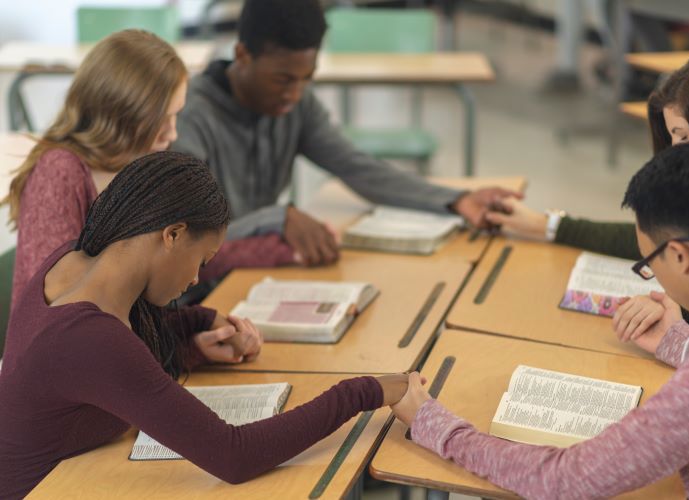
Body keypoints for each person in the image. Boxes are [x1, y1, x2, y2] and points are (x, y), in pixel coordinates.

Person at [391, 142, 689, 499]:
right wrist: (678, 342)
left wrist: (434, 423)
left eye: (648, 263)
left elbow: (565, 480)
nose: (652, 275)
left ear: (680, 256)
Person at [0, 151, 411, 499]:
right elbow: (234, 455)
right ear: (173, 235)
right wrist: (365, 391)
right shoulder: (92, 341)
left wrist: (197, 323)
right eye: (201, 261)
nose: (196, 279)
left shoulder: (69, 260)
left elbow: (117, 351)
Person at [171, 0, 521, 267]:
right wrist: (278, 218)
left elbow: (358, 167)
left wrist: (456, 200)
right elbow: (186, 236)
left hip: (254, 270)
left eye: (307, 78)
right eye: (283, 79)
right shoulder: (189, 117)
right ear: (242, 55)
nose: (294, 94)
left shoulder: (296, 106)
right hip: (196, 284)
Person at [486, 51, 689, 339]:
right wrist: (547, 226)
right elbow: (659, 239)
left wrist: (679, 316)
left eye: (684, 136)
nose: (677, 151)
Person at [2, 29, 294, 309]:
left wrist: (195, 338)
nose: (172, 134)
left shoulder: (137, 171)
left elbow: (174, 265)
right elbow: (55, 305)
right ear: (121, 112)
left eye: (176, 116)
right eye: (162, 119)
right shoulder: (59, 173)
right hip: (72, 355)